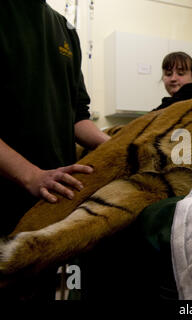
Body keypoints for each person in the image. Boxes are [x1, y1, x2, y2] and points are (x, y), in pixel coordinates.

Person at [0, 0, 110, 299]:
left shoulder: (65, 28)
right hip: (8, 198)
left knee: (56, 291)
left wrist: (120, 148)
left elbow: (77, 116)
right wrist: (31, 175)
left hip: (54, 200)